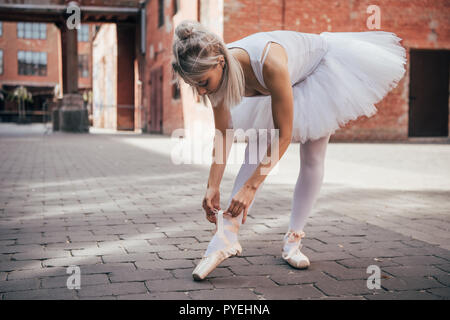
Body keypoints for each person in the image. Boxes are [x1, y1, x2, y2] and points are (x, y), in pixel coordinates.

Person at [171, 20, 406, 281]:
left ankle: (293, 239)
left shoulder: (268, 62)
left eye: (203, 82)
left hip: (317, 71)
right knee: (257, 143)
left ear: (220, 62)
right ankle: (226, 237)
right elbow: (223, 135)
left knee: (312, 156)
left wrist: (251, 188)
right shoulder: (215, 78)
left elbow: (284, 135)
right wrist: (212, 186)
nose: (201, 91)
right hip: (278, 81)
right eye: (195, 86)